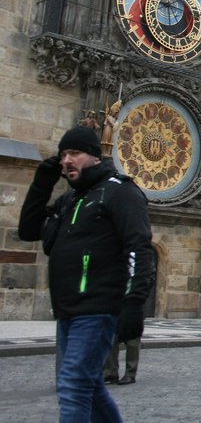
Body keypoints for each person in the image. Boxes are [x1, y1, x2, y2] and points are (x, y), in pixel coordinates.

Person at [18, 125, 154, 421]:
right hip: (68, 311)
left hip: (98, 308)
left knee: (72, 385)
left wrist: (134, 304)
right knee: (89, 386)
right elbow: (28, 230)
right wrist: (42, 183)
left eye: (74, 153)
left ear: (94, 156)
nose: (67, 160)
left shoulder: (120, 191)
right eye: (63, 154)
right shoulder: (70, 200)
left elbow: (139, 247)